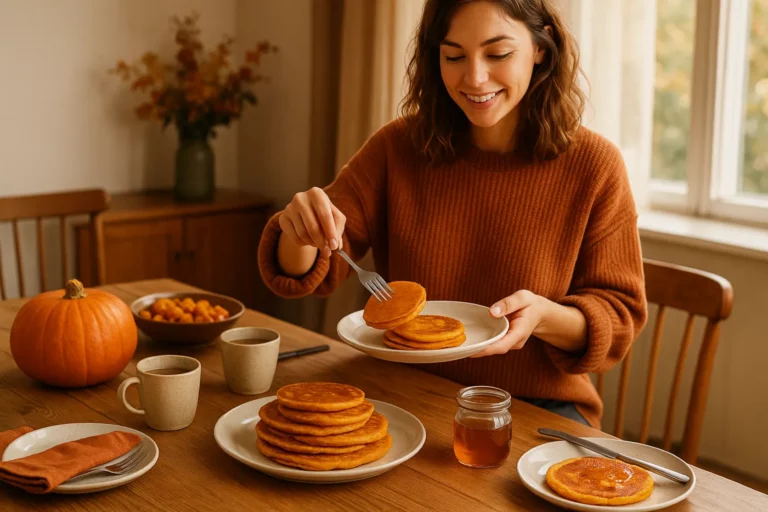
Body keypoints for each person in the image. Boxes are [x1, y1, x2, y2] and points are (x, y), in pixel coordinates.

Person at [257, 0, 647, 428]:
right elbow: (313, 264)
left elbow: (618, 319)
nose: (474, 78)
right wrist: (299, 232)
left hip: (536, 408)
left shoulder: (595, 166)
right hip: (407, 392)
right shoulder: (398, 147)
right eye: (454, 56)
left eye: (498, 54)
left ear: (541, 47)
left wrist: (544, 317)